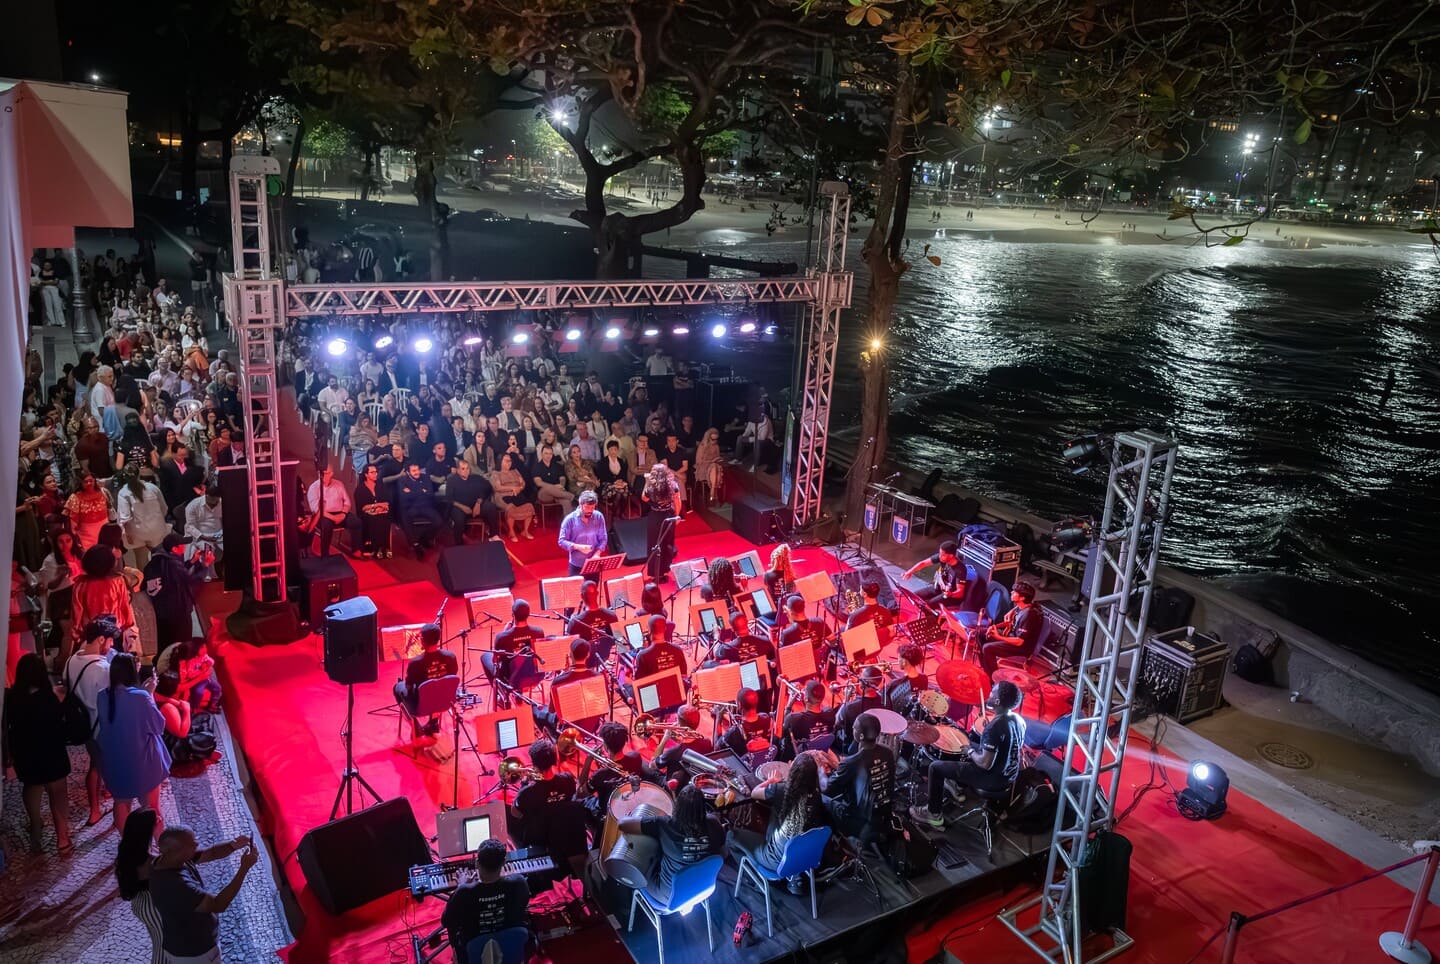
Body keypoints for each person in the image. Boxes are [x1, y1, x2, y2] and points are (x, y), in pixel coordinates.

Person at [910, 681, 1026, 829]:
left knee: (935, 767)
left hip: (993, 778)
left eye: (992, 692)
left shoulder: (994, 728)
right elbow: (1007, 745)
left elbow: (985, 763)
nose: (989, 694)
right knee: (968, 741)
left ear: (997, 701)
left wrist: (970, 751)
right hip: (1010, 774)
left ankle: (933, 814)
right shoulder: (1018, 720)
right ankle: (958, 784)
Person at [150, 825, 260, 964]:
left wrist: (232, 845)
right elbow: (218, 904)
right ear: (176, 850)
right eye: (191, 844)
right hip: (194, 953)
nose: (196, 844)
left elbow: (211, 853)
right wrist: (244, 868)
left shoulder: (170, 859)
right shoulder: (178, 885)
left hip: (194, 945)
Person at [96, 653, 171, 833]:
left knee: (121, 803)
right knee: (152, 808)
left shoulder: (102, 696)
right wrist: (149, 694)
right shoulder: (140, 697)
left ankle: (127, 845)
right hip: (142, 761)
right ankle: (160, 845)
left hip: (115, 761)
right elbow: (158, 725)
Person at [5, 652, 73, 854]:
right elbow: (60, 725)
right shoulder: (49, 698)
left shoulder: (13, 699)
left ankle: (35, 826)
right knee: (58, 793)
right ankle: (62, 839)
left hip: (26, 755)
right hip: (52, 753)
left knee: (32, 787)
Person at [735, 752, 826, 894]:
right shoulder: (817, 795)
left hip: (776, 860)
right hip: (805, 856)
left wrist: (771, 781)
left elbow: (754, 792)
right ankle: (795, 876)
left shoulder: (781, 790)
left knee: (731, 836)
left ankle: (752, 879)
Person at [617, 783, 723, 903]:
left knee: (644, 856)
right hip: (703, 888)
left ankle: (623, 895)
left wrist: (629, 816)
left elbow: (622, 824)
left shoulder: (665, 824)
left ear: (677, 806)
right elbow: (720, 843)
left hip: (669, 896)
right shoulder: (714, 823)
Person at [441, 838, 531, 964]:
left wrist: (461, 887)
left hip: (474, 945)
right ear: (504, 862)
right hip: (511, 941)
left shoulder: (464, 892)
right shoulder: (519, 883)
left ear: (477, 863)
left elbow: (446, 921)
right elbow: (523, 906)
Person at [66, 615, 119, 826]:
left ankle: (97, 806)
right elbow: (112, 700)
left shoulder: (71, 660)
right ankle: (98, 811)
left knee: (95, 764)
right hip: (101, 728)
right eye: (110, 640)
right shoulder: (103, 669)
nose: (112, 645)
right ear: (100, 639)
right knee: (100, 767)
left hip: (83, 725)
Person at [822, 711, 896, 845]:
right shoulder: (888, 753)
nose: (852, 728)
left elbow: (827, 789)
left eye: (854, 727)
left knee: (821, 798)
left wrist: (820, 771)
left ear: (861, 736)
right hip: (882, 815)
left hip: (858, 822)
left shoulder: (851, 763)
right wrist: (840, 766)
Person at [116, 808, 165, 964]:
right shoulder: (153, 860)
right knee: (165, 945)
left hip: (141, 903)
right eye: (155, 820)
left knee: (158, 940)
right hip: (155, 907)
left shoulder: (127, 853)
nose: (159, 819)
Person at [144, 533, 207, 654]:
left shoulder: (160, 560)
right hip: (179, 612)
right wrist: (204, 566)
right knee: (183, 643)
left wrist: (192, 562)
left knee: (165, 642)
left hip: (163, 611)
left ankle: (163, 662)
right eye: (182, 545)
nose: (185, 547)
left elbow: (178, 575)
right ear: (174, 549)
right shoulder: (172, 564)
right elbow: (191, 580)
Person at [393, 623, 458, 738]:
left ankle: (415, 726)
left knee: (397, 687)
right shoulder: (451, 657)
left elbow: (409, 687)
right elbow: (452, 677)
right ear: (438, 639)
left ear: (422, 640)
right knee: (437, 688)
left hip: (421, 706)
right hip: (445, 701)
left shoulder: (416, 663)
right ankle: (433, 723)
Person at [72, 545, 136, 652]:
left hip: (90, 633)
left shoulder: (81, 583)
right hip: (113, 632)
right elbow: (124, 606)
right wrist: (128, 626)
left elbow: (77, 611)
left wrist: (77, 633)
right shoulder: (118, 581)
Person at [979, 581, 1042, 674]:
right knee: (980, 634)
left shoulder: (1029, 615)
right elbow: (1017, 612)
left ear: (1022, 598)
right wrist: (994, 626)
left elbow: (1019, 642)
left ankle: (992, 677)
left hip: (1021, 647)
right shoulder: (1023, 606)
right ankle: (986, 667)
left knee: (987, 648)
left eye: (1015, 592)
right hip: (1011, 636)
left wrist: (998, 637)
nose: (1011, 592)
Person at [116, 467, 170, 570]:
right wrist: (158, 520)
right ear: (139, 474)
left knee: (141, 559)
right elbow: (164, 508)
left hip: (136, 532)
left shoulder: (123, 493)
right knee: (159, 556)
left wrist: (127, 534)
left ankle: (145, 579)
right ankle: (161, 577)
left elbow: (125, 517)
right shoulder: (153, 488)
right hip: (156, 529)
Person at [901, 540, 976, 610]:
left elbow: (960, 593)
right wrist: (910, 572)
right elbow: (923, 563)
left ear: (951, 556)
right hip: (939, 588)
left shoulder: (960, 569)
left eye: (943, 554)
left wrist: (950, 594)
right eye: (940, 553)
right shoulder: (942, 558)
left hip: (950, 596)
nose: (940, 556)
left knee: (927, 605)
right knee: (914, 596)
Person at [651, 705, 713, 789]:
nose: (675, 721)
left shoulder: (673, 752)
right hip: (694, 780)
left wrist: (665, 738)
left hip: (674, 787)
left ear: (681, 725)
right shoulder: (707, 742)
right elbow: (691, 745)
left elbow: (653, 765)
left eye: (677, 719)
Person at [304, 465, 359, 558]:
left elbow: (347, 502)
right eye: (321, 473)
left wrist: (343, 514)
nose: (323, 476)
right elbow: (315, 509)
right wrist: (333, 517)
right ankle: (325, 554)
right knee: (326, 525)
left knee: (356, 522)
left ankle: (356, 550)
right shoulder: (314, 488)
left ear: (332, 474)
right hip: (323, 515)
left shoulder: (339, 484)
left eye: (326, 473)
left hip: (340, 513)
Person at [396, 462, 445, 559]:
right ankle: (415, 544)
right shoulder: (402, 480)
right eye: (414, 471)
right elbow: (404, 496)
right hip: (411, 507)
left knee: (439, 521)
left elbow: (430, 493)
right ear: (408, 473)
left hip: (425, 506)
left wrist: (412, 492)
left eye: (418, 470)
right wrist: (422, 491)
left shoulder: (425, 477)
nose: (417, 472)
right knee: (405, 518)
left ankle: (424, 538)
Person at [778, 680, 836, 761]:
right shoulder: (830, 713)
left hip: (804, 759)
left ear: (806, 698)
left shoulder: (794, 718)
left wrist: (789, 705)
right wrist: (806, 700)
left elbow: (782, 730)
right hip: (822, 755)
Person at [445, 458, 500, 543]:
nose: (466, 471)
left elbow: (488, 487)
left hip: (475, 504)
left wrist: (478, 503)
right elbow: (449, 499)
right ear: (458, 470)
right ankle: (458, 543)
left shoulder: (475, 478)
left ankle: (493, 535)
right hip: (459, 506)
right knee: (459, 519)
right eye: (463, 469)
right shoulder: (451, 480)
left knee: (491, 507)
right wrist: (463, 507)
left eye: (467, 468)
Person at [640, 463, 679, 583]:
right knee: (667, 544)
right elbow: (677, 501)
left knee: (654, 544)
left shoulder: (651, 487)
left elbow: (644, 498)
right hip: (668, 516)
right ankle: (664, 571)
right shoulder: (673, 485)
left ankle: (655, 574)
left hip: (655, 517)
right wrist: (676, 516)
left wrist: (646, 481)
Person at [833, 665, 885, 755]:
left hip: (852, 746)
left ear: (865, 683)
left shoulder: (849, 707)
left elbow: (836, 721)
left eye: (861, 677)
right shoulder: (884, 701)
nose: (859, 678)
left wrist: (846, 699)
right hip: (872, 742)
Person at [557, 490, 608, 577]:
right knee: (576, 586)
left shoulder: (598, 516)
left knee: (593, 586)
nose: (590, 510)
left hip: (593, 563)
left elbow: (603, 538)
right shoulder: (569, 520)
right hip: (576, 564)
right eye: (587, 507)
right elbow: (561, 541)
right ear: (580, 505)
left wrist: (597, 554)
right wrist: (578, 547)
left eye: (593, 508)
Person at [491, 452, 536, 541]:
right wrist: (513, 488)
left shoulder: (515, 471)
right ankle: (511, 532)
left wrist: (520, 488)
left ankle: (525, 531)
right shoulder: (496, 473)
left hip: (517, 494)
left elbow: (523, 483)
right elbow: (498, 487)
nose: (509, 463)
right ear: (500, 461)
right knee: (511, 508)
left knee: (529, 506)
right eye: (506, 461)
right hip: (503, 495)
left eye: (510, 461)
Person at [352, 464, 393, 558]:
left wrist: (381, 508)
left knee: (384, 517)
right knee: (373, 518)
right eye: (372, 472)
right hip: (365, 514)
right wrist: (377, 506)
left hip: (381, 511)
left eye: (376, 472)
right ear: (366, 474)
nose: (376, 474)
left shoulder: (381, 486)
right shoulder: (360, 489)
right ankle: (374, 547)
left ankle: (384, 547)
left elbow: (386, 502)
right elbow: (363, 507)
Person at [722, 687, 774, 761]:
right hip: (767, 761)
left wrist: (718, 718)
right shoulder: (768, 720)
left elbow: (717, 747)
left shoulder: (734, 731)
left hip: (746, 765)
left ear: (739, 705)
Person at [632, 615, 687, 680]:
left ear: (649, 630)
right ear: (665, 628)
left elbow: (640, 681)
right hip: (675, 685)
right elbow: (684, 676)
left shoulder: (642, 655)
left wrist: (633, 670)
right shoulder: (678, 649)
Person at [883, 642, 929, 715]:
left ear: (904, 662)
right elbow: (907, 682)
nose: (898, 661)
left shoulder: (895, 684)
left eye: (899, 658)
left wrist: (881, 676)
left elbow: (883, 699)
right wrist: (890, 674)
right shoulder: (924, 678)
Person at [846, 581, 894, 648]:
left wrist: (852, 617)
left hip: (862, 648)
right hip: (879, 646)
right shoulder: (886, 611)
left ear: (865, 594)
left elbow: (848, 639)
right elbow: (891, 633)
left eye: (860, 589)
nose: (859, 591)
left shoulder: (855, 615)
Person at [531, 445, 574, 514]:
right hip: (544, 494)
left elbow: (562, 478)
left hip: (559, 494)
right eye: (546, 453)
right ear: (541, 454)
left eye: (550, 453)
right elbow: (539, 483)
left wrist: (561, 485)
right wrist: (553, 487)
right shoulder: (537, 467)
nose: (548, 456)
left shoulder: (557, 466)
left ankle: (568, 521)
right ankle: (571, 496)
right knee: (547, 488)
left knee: (566, 502)